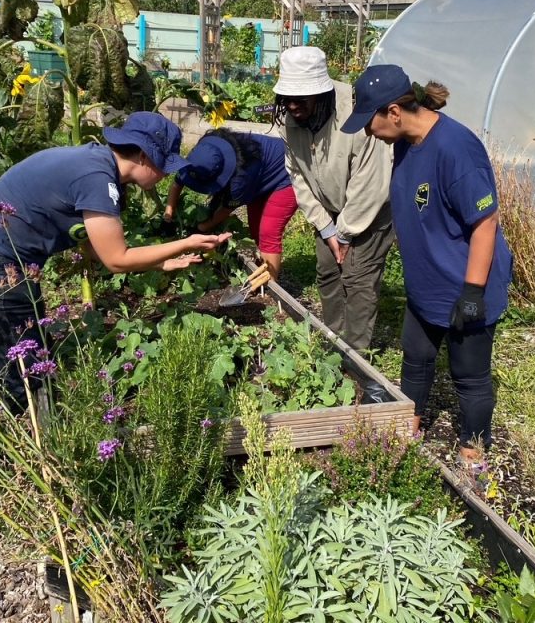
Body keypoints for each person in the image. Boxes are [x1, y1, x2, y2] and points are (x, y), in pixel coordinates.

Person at [0, 112, 231, 506]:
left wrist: (161, 262)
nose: (164, 177)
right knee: (19, 370)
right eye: (164, 167)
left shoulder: (93, 162)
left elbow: (96, 243)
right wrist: (184, 244)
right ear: (145, 157)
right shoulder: (99, 180)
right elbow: (116, 259)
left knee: (34, 362)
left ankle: (49, 453)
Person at [340, 64, 513, 482]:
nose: (367, 132)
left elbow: (485, 223)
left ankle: (475, 452)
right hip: (426, 282)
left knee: (468, 376)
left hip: (464, 284)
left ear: (395, 111)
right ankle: (410, 428)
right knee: (416, 359)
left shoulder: (456, 149)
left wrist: (472, 291)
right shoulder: (404, 141)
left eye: (371, 122)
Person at [273, 46, 395, 352]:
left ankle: (355, 357)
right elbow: (298, 176)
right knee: (328, 272)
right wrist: (327, 229)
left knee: (357, 279)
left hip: (370, 211)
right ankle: (333, 343)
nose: (292, 105)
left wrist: (344, 233)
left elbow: (372, 184)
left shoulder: (357, 115)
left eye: (300, 98)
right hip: (329, 209)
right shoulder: (289, 119)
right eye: (287, 97)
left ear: (321, 92)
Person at [162, 128, 296, 280]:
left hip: (288, 173)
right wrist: (169, 213)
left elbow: (225, 209)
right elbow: (177, 183)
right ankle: (263, 266)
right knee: (255, 228)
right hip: (260, 175)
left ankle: (270, 285)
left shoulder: (239, 181)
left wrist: (200, 228)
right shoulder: (199, 161)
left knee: (268, 231)